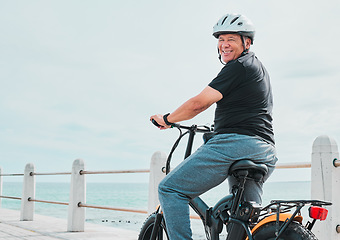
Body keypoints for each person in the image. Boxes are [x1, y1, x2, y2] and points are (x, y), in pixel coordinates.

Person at [150, 13, 278, 240]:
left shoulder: (239, 66)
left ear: (246, 42)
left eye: (231, 38)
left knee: (170, 189)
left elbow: (199, 104)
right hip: (265, 150)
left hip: (236, 144)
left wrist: (168, 119)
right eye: (220, 39)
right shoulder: (258, 68)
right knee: (243, 217)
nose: (224, 44)